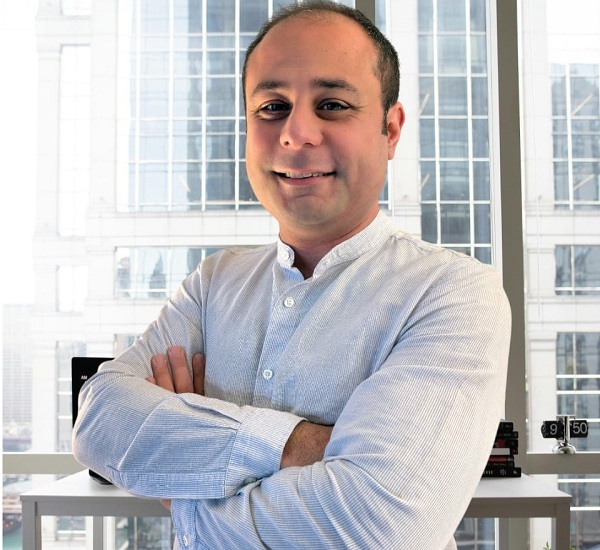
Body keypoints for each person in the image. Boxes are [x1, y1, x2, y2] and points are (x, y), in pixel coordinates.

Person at [73, 2, 511, 549]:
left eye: (332, 105)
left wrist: (184, 492)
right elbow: (100, 424)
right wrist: (301, 446)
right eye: (272, 107)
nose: (296, 133)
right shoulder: (213, 284)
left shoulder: (452, 294)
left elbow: (377, 527)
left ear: (391, 130)